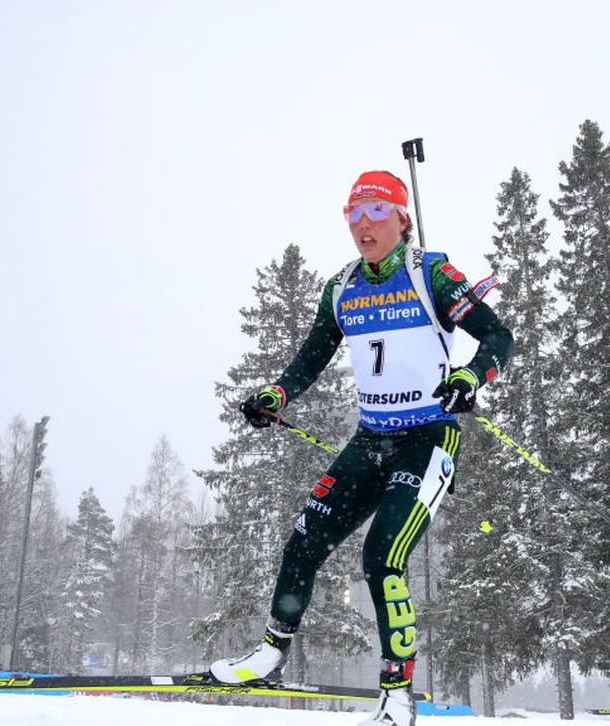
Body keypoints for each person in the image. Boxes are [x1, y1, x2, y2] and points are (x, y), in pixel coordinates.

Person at [209, 170, 514, 726]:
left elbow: (498, 336)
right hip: (370, 440)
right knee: (304, 541)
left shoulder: (432, 275)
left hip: (428, 438)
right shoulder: (342, 286)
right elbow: (312, 356)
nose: (363, 224)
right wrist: (276, 393)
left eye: (376, 212)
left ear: (402, 218)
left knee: (382, 556)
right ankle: (270, 654)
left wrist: (470, 376)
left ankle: (397, 695)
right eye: (354, 213)